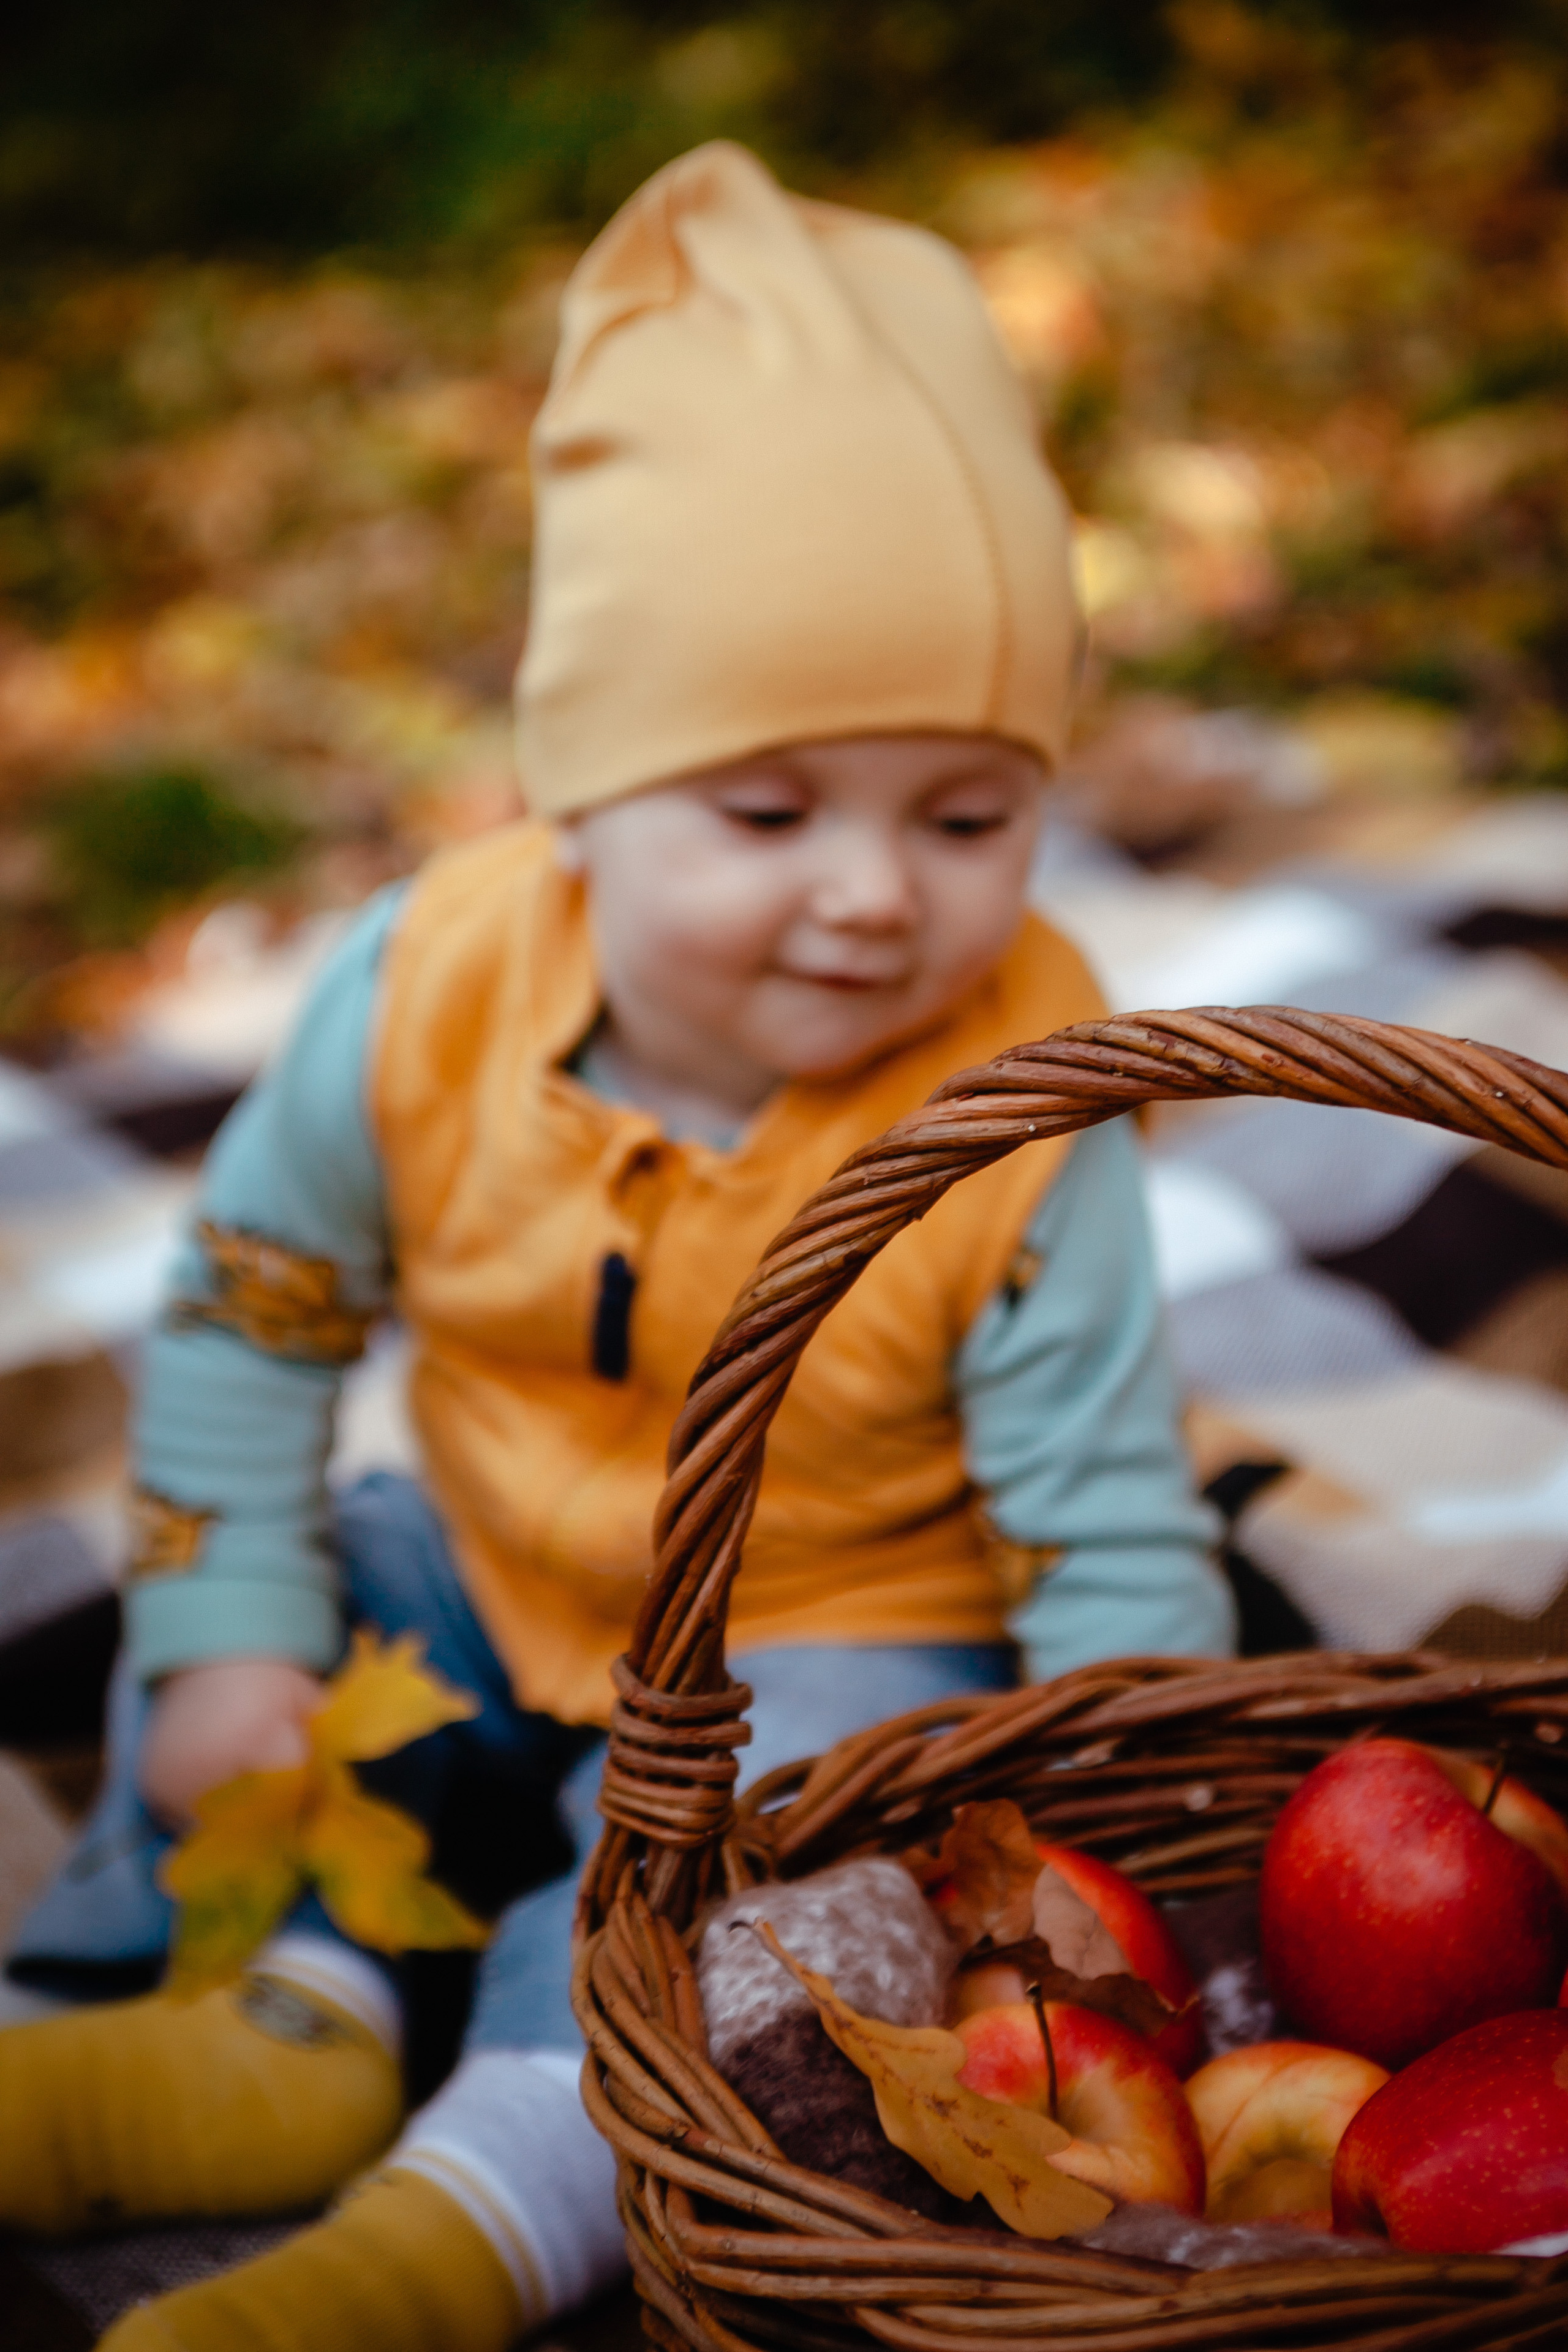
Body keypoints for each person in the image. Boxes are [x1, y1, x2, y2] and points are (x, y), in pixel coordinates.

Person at [0, 143, 1234, 2351]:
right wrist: (227, 1638)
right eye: (768, 810)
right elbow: (257, 1314)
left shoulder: (1030, 1087)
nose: (876, 892)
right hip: (481, 1562)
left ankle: (482, 2204)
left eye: (970, 814)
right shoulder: (428, 983)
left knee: (775, 1891)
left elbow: (1105, 1497)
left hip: (831, 1622)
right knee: (276, 1603)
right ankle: (258, 2017)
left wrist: (1145, 1816)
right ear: (581, 793)